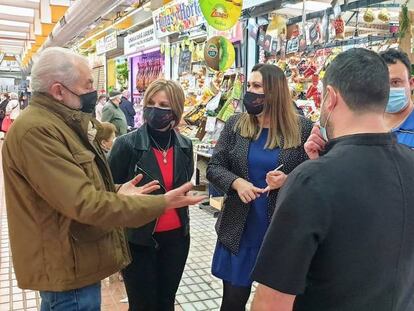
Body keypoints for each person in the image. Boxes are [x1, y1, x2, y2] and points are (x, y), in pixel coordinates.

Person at [1, 47, 205, 311]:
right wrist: (160, 203)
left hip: (85, 256)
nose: (93, 93)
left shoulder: (61, 126)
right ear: (59, 90)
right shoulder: (38, 131)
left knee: (164, 301)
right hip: (69, 263)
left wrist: (117, 191)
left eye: (165, 106)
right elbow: (85, 203)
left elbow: (90, 187)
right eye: (87, 85)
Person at [251, 48, 414, 311]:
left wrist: (318, 169)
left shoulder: (309, 181)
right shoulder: (409, 163)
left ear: (330, 97)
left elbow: (271, 303)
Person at [206, 64, 313, 311]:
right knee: (232, 302)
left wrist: (288, 181)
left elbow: (316, 174)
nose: (249, 93)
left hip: (281, 232)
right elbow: (214, 166)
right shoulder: (236, 124)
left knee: (278, 304)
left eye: (256, 87)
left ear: (274, 93)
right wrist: (236, 182)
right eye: (249, 86)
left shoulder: (303, 129)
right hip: (240, 229)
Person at [108, 79, 193, 311]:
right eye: (151, 103)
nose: (155, 109)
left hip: (176, 239)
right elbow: (104, 188)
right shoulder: (126, 145)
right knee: (142, 305)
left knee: (166, 302)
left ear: (176, 109)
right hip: (138, 239)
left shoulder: (185, 146)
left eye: (164, 104)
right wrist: (121, 193)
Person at [305, 48, 414, 158]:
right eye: (383, 83)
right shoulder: (361, 125)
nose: (388, 89)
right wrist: (323, 158)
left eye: (395, 82)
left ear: (411, 83)